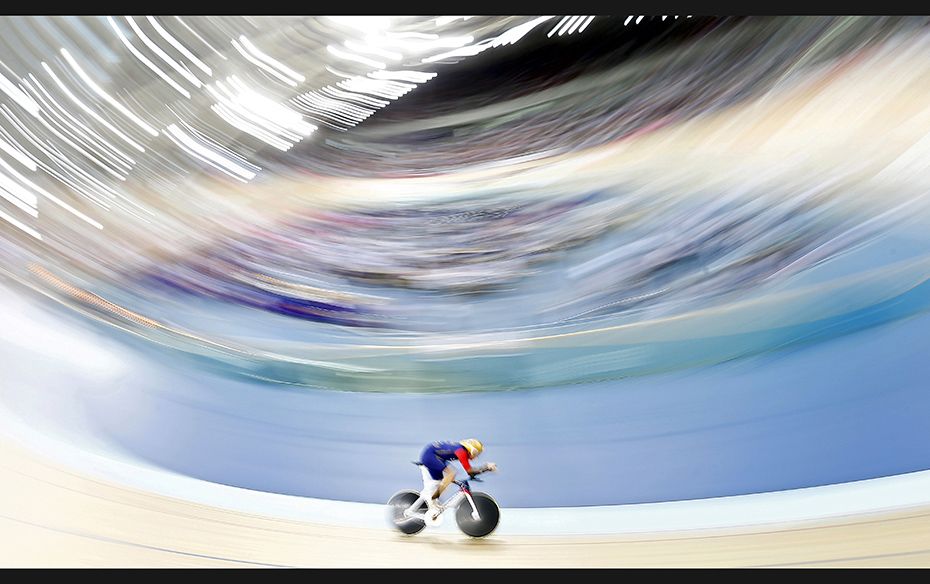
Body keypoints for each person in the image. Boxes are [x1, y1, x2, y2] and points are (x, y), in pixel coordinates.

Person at [404, 438, 497, 520]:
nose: (476, 457)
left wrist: (480, 471)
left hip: (435, 456)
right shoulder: (462, 452)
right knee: (451, 474)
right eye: (477, 454)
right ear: (472, 450)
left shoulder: (461, 449)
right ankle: (433, 498)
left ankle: (432, 499)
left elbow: (470, 471)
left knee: (439, 481)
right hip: (430, 456)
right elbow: (470, 471)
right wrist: (486, 467)